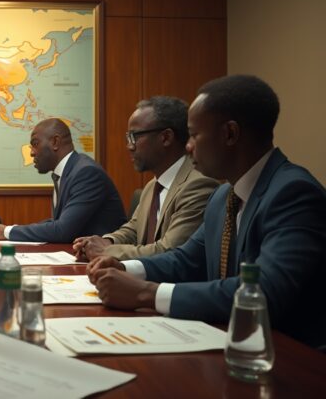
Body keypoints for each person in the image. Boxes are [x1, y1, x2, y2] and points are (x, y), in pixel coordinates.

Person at [87, 75, 326, 349]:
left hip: (290, 356)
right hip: (229, 342)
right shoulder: (224, 196)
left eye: (194, 135)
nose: (187, 147)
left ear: (230, 134)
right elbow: (186, 259)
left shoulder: (293, 193)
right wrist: (125, 267)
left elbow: (262, 293)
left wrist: (147, 293)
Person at [73, 96, 218, 260]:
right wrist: (105, 241)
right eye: (128, 137)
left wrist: (104, 251)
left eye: (135, 136)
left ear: (166, 137)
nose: (129, 146)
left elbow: (168, 251)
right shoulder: (153, 185)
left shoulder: (198, 185)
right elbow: (134, 229)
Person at [0, 118, 126, 243]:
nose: (32, 152)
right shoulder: (67, 171)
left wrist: (8, 231)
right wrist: (11, 230)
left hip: (105, 262)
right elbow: (58, 223)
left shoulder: (86, 173)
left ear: (55, 142)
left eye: (35, 143)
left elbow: (62, 230)